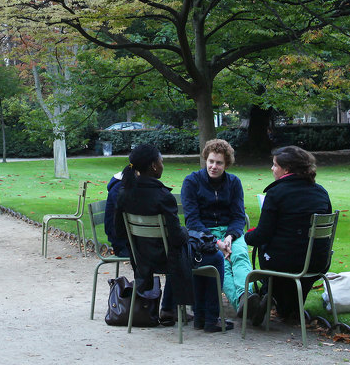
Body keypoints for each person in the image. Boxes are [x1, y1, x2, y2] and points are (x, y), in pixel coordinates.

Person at [243, 146, 332, 326]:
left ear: (287, 169)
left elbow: (262, 234)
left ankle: (272, 298)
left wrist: (246, 238)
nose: (272, 169)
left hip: (285, 263)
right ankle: (287, 307)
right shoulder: (320, 191)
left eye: (275, 165)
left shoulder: (276, 193)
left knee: (274, 257)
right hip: (318, 261)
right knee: (292, 255)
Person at [114, 144, 194, 328]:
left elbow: (119, 231)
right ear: (154, 166)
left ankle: (170, 308)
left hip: (141, 258)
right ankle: (206, 312)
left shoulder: (124, 192)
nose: (163, 165)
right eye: (161, 161)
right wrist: (187, 233)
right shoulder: (163, 196)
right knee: (202, 253)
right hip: (165, 259)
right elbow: (176, 237)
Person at [180, 139, 254, 330]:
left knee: (239, 255)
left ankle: (248, 297)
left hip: (230, 232)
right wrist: (216, 242)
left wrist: (230, 237)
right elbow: (192, 221)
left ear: (226, 164)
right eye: (211, 161)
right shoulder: (192, 181)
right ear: (205, 159)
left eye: (219, 163)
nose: (214, 166)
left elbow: (238, 217)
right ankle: (244, 306)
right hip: (204, 234)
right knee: (223, 264)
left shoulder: (234, 183)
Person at [102, 169, 130, 257]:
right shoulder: (119, 187)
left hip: (131, 238)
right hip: (122, 243)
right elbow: (129, 210)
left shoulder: (128, 182)